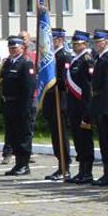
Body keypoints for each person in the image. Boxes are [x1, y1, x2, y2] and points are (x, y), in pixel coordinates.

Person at [40, 27, 73, 180]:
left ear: (60, 40)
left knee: (61, 135)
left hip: (60, 100)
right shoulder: (51, 56)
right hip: (52, 101)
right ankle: (60, 164)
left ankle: (65, 167)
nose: (49, 42)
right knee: (55, 136)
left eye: (52, 39)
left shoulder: (64, 56)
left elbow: (65, 80)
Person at [0, 35, 36, 176]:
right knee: (13, 136)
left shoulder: (26, 63)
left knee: (23, 136)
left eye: (15, 48)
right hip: (9, 104)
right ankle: (17, 163)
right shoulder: (9, 63)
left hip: (21, 105)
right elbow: (3, 84)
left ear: (22, 48)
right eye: (10, 48)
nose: (12, 50)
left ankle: (24, 165)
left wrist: (25, 108)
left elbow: (28, 88)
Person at [88, 31, 108, 186]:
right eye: (95, 42)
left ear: (106, 42)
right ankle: (106, 173)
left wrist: (107, 109)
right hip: (99, 103)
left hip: (106, 106)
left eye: (98, 42)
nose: (95, 44)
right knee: (103, 142)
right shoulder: (99, 59)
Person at [65, 32, 96, 183]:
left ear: (85, 44)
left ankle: (87, 172)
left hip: (83, 107)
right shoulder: (75, 60)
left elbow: (88, 89)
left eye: (79, 44)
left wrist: (87, 113)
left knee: (85, 140)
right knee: (78, 139)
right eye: (74, 44)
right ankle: (81, 170)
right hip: (74, 107)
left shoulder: (86, 60)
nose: (76, 46)